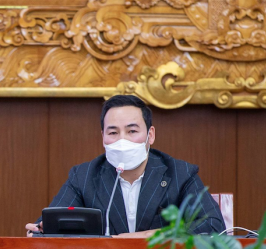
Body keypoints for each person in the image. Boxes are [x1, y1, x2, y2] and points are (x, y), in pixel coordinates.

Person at [26, 95, 225, 238]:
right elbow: (51, 225)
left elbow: (214, 227)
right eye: (113, 133)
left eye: (132, 131)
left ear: (150, 135)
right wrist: (40, 230)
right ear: (102, 137)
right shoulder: (84, 176)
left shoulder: (180, 173)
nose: (123, 140)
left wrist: (143, 236)